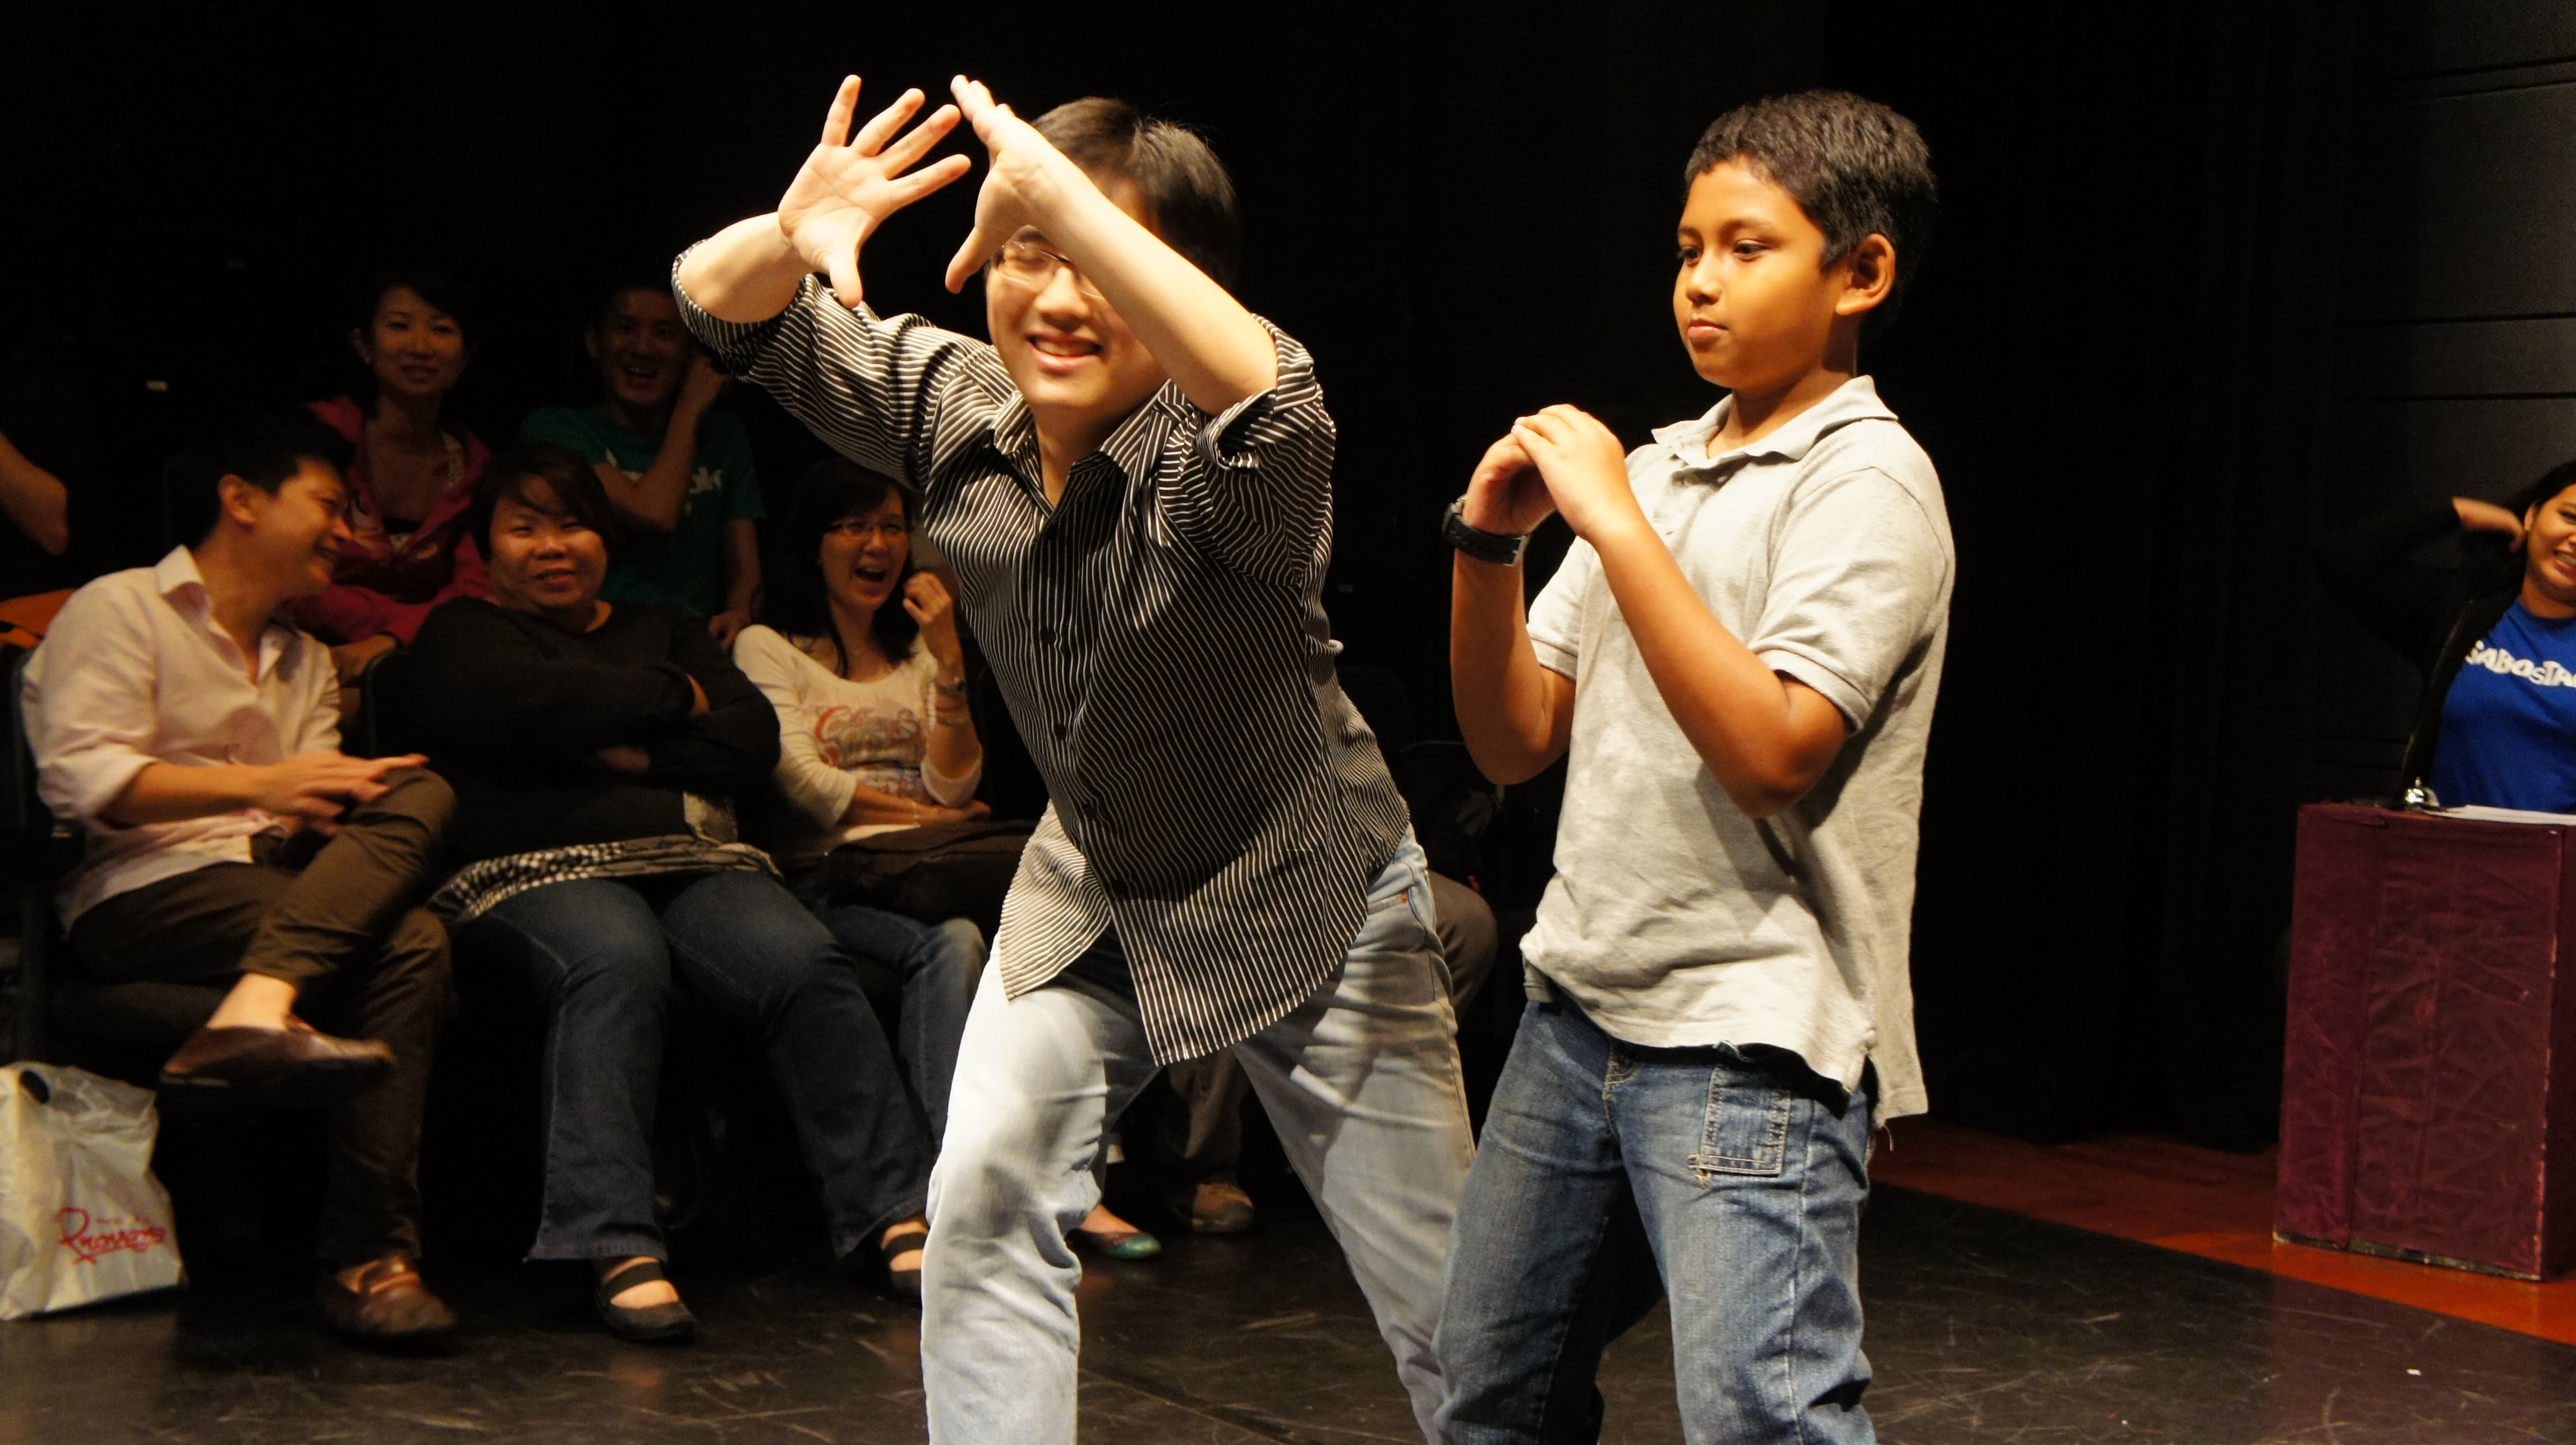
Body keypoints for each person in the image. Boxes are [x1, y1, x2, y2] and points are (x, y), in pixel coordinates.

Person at [675, 76, 1473, 1440]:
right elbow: (714, 303)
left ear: (1172, 285)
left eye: (1098, 255)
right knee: (984, 1193)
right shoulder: (952, 408)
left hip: (1306, 892)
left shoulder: (1229, 461)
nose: (1056, 295)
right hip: (1095, 881)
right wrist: (787, 228)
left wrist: (1061, 204)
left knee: (1454, 1303)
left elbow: (1277, 397)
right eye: (1029, 249)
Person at [1441, 91, 1950, 1443]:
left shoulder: (1868, 481)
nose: (1702, 283)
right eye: (1686, 249)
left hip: (1750, 1039)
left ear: (1862, 273)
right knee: (1492, 1395)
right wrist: (1488, 550)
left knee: (1763, 1420)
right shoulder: (1661, 477)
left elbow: (1776, 751)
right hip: (1580, 1012)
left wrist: (1608, 524)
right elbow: (1513, 738)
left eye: (1746, 247)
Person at [403, 443, 934, 1341]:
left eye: (570, 524)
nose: (552, 546)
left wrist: (594, 737)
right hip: (533, 870)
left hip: (694, 859)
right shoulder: (465, 634)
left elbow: (747, 743)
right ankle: (614, 1241)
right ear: (488, 551)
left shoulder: (667, 623)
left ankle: (896, 1212)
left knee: (803, 958)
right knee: (614, 956)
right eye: (524, 529)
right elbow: (499, 708)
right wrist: (668, 702)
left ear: (603, 538)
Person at [20, 409, 457, 1341]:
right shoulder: (121, 605)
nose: (346, 532)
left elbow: (314, 809)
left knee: (424, 803)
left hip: (271, 884)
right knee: (409, 943)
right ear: (242, 501)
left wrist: (330, 802)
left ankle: (260, 1008)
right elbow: (87, 782)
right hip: (140, 889)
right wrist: (270, 783)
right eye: (329, 506)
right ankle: (369, 1259)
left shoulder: (302, 660)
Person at [735, 457, 1160, 1255]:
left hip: (930, 873)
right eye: (855, 526)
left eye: (893, 527)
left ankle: (1063, 1185)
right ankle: (970, 1183)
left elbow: (956, 774)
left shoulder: (920, 652)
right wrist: (932, 814)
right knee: (956, 944)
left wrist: (949, 656)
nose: (878, 544)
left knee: (1039, 940)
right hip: (832, 876)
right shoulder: (770, 646)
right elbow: (804, 784)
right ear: (813, 543)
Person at [1157, 871, 1497, 1234]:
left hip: (1342, 850)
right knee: (1249, 923)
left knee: (1466, 922)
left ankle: (1373, 1132)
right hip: (1230, 867)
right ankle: (1202, 1162)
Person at [2316, 462, 2576, 813]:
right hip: (2441, 857)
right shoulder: (2461, 612)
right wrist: (2458, 513)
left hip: (2557, 864)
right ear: (2533, 515)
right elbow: (2342, 559)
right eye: (2570, 517)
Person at [522, 281, 763, 646]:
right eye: (625, 328)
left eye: (664, 333)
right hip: (592, 642)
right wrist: (689, 409)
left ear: (690, 353)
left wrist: (740, 612)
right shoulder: (556, 431)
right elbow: (655, 513)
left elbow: (744, 566)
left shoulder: (724, 437)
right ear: (594, 342)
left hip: (695, 641)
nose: (643, 348)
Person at [293, 268, 495, 682]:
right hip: (299, 639)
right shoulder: (316, 438)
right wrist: (395, 627)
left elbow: (477, 588)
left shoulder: (478, 467)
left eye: (441, 329)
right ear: (364, 345)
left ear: (465, 357)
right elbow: (281, 565)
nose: (420, 346)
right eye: (399, 326)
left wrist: (391, 641)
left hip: (425, 655)